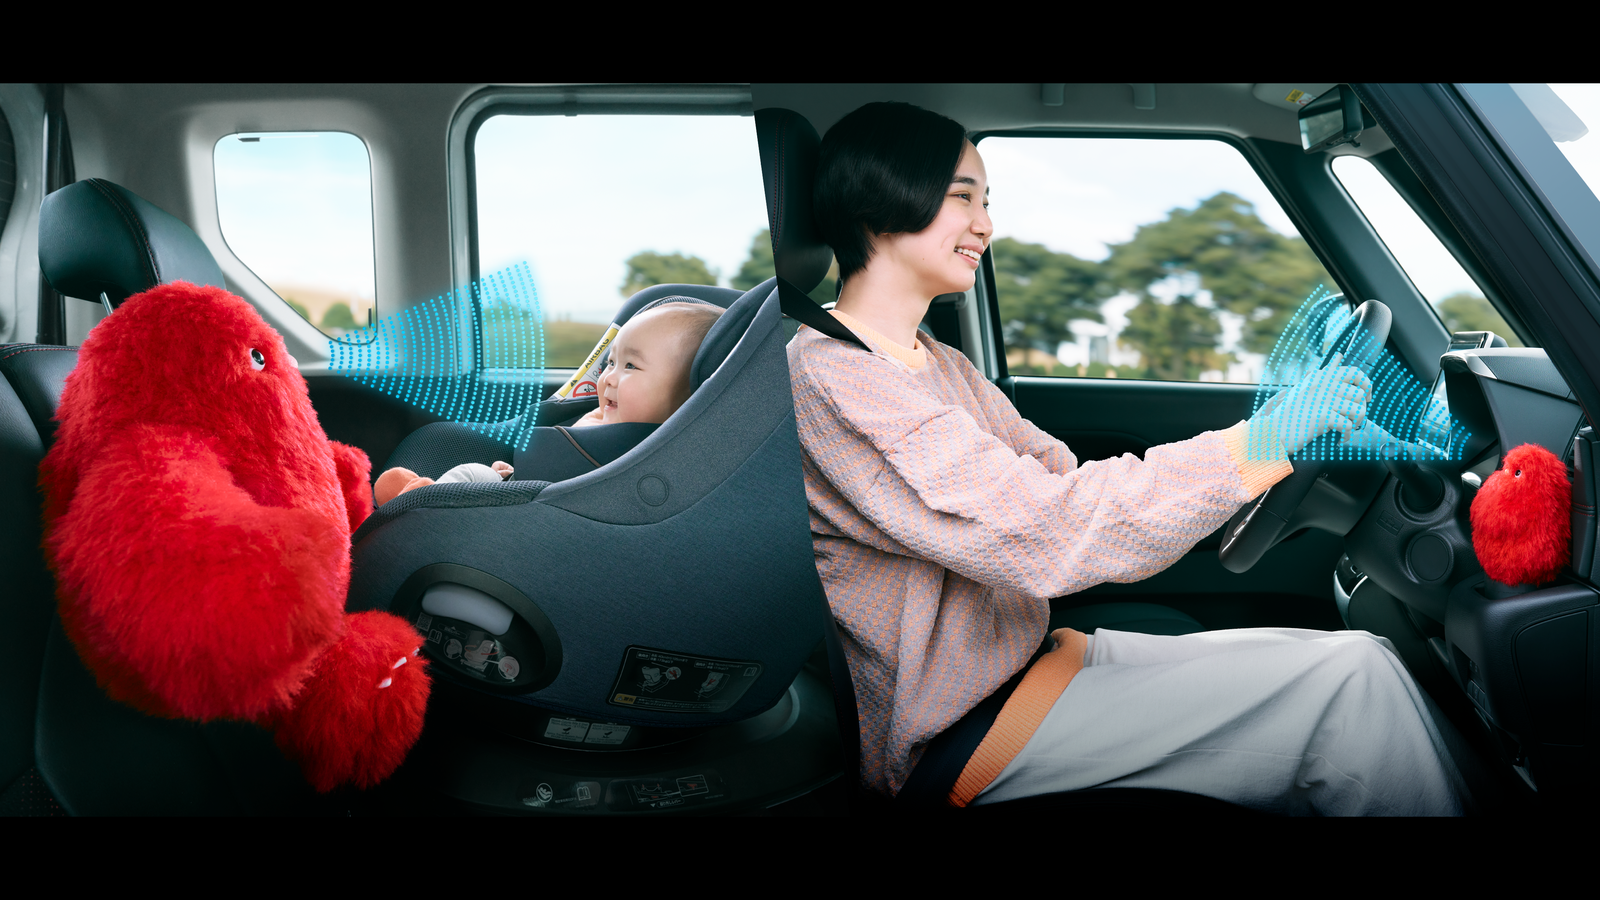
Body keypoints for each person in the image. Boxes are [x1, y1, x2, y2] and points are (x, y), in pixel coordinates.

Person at [787, 101, 1470, 815]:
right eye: (962, 197)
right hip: (953, 733)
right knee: (1357, 688)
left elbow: (1062, 480)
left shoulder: (936, 363)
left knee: (1367, 661)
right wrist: (1263, 440)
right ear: (881, 196)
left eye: (986, 201)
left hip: (1018, 668)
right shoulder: (836, 378)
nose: (985, 224)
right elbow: (1047, 530)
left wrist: (1296, 441)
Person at [375, 300, 723, 504]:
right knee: (476, 473)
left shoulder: (654, 452)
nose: (609, 378)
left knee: (471, 478)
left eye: (631, 366)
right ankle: (421, 494)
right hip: (523, 486)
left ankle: (420, 500)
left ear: (689, 397)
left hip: (530, 511)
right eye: (611, 363)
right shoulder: (604, 419)